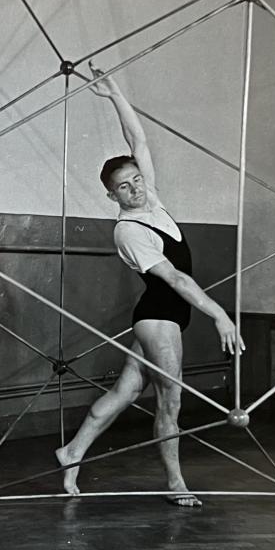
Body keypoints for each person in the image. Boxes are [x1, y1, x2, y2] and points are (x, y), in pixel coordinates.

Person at [55, 65, 243, 507]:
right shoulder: (129, 232)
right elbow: (175, 279)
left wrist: (115, 93)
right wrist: (220, 316)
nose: (135, 188)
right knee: (170, 402)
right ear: (112, 196)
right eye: (124, 187)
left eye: (136, 180)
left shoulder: (153, 201)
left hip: (165, 317)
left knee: (125, 392)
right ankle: (176, 484)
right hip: (158, 319)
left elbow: (138, 141)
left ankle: (72, 451)